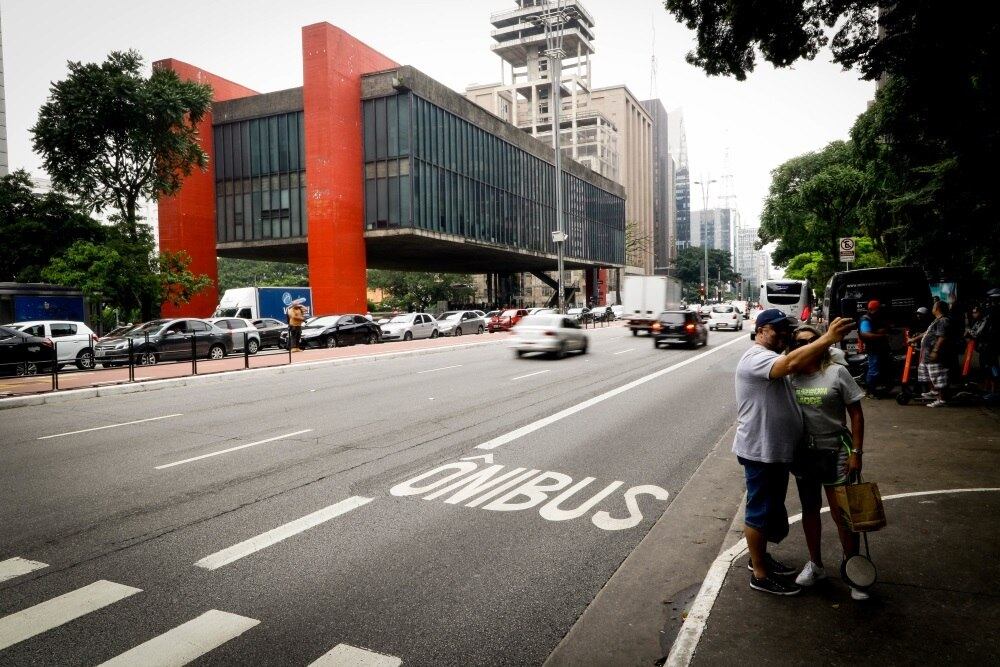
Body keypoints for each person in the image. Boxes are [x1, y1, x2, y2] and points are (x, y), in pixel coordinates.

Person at [734, 309, 853, 596]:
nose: (784, 335)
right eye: (778, 330)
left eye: (787, 330)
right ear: (760, 329)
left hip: (775, 451)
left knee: (770, 509)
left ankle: (759, 559)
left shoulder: (774, 357)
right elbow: (792, 362)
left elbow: (823, 365)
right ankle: (760, 575)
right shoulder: (757, 358)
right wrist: (828, 338)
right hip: (760, 451)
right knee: (760, 512)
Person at [788, 325, 869, 600]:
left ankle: (853, 571)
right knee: (810, 511)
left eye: (812, 340)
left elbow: (856, 415)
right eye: (800, 342)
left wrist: (857, 453)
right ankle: (816, 565)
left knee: (842, 515)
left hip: (836, 452)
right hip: (805, 455)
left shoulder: (837, 372)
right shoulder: (791, 376)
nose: (807, 345)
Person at [919, 301, 953, 407]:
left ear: (937, 308)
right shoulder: (937, 320)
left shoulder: (943, 320)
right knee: (932, 376)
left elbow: (942, 337)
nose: (932, 308)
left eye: (934, 306)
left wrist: (935, 351)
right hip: (929, 353)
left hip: (937, 354)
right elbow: (927, 333)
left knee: (939, 377)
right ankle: (936, 395)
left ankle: (941, 400)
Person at [858, 300, 891, 397]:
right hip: (873, 348)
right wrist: (881, 334)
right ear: (871, 309)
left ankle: (879, 389)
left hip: (881, 348)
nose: (879, 311)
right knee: (874, 369)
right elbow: (866, 334)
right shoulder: (866, 319)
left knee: (882, 368)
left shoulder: (876, 317)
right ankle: (870, 391)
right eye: (877, 309)